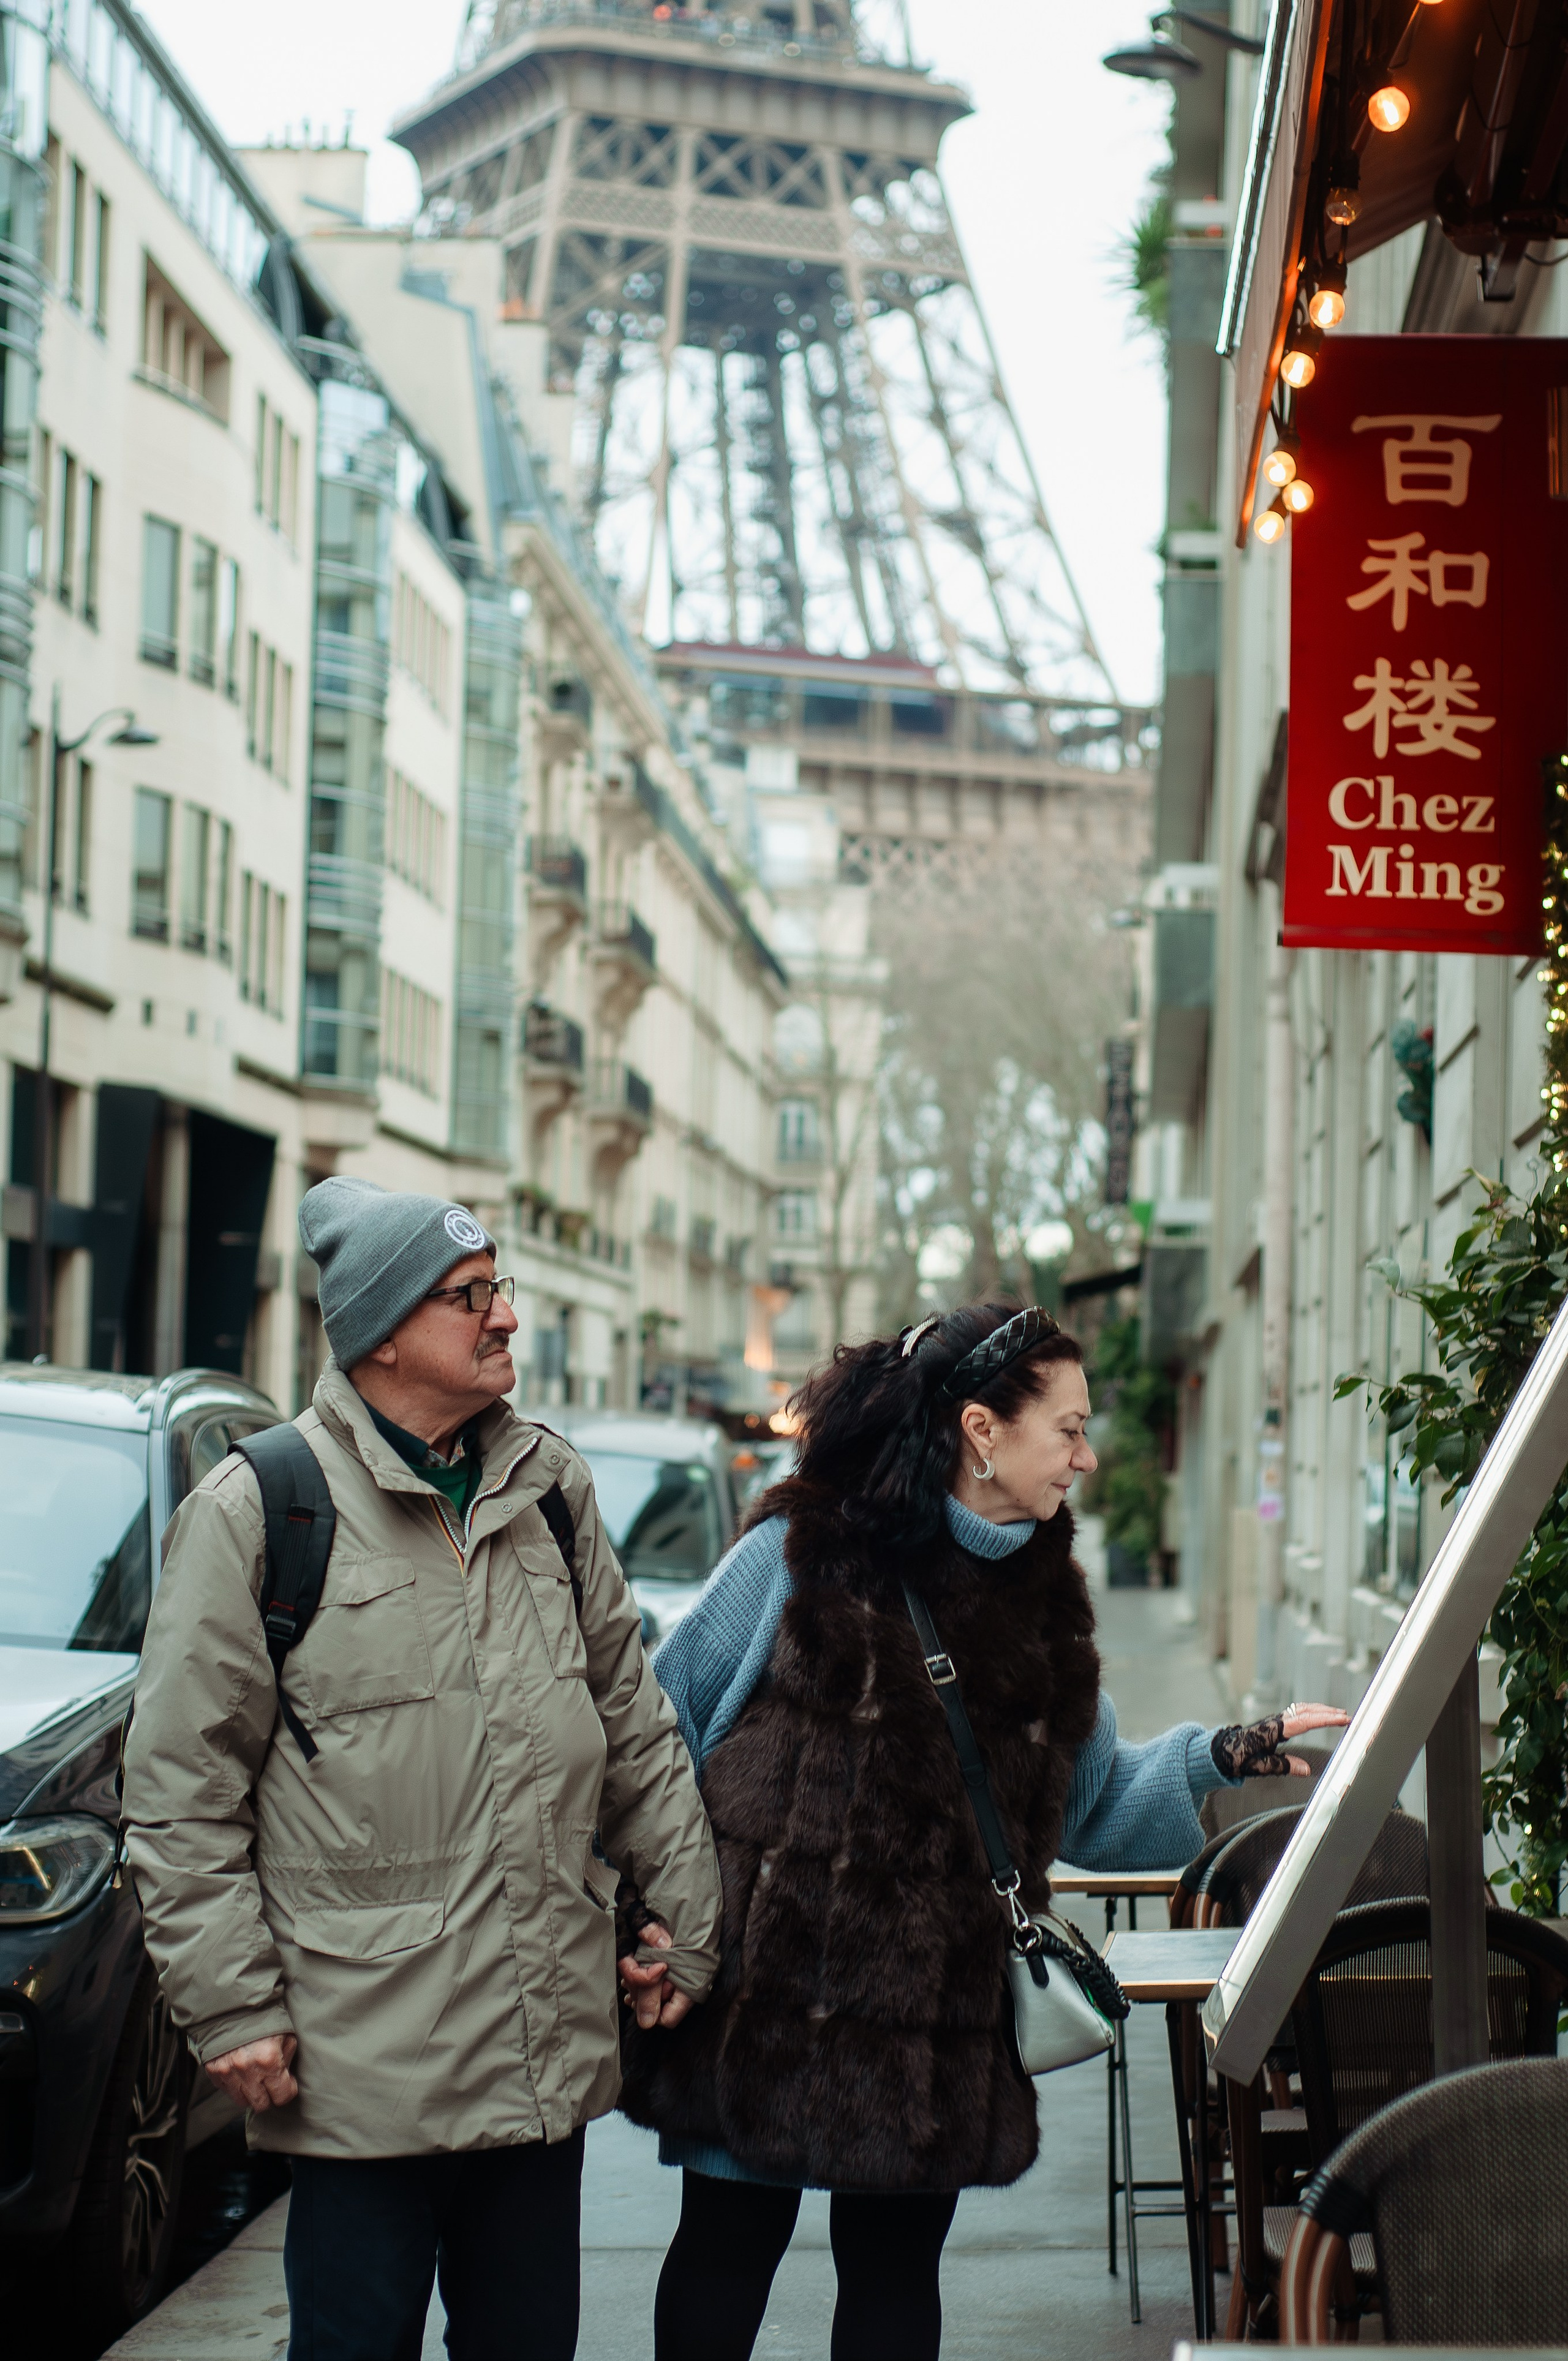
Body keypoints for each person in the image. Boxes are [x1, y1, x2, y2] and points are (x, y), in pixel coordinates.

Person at [619, 1303, 1347, 2361]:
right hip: (764, 2003)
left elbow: (1094, 1808)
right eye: (1070, 1429)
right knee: (727, 2257)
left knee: (896, 2280)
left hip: (933, 2024)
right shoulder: (798, 1552)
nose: (1088, 1459)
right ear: (982, 1430)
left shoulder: (1046, 1602)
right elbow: (658, 1734)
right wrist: (651, 1920)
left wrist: (1221, 1756)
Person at [123, 1178, 721, 2361]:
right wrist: (233, 2004)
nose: (504, 1319)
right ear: (383, 1332)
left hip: (541, 2062)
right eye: (471, 1297)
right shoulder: (263, 1508)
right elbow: (182, 1793)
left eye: (500, 1290)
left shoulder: (549, 1490)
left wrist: (688, 1923)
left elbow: (633, 1725)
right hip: (361, 2083)